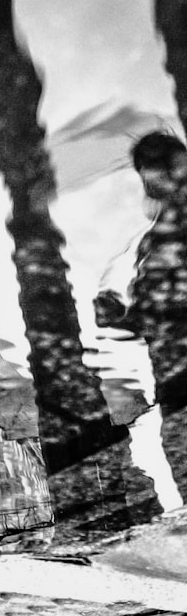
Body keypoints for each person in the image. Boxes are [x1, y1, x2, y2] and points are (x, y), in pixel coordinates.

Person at [94, 131, 187, 502]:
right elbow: (155, 315)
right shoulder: (152, 241)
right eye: (146, 170)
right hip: (174, 383)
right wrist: (120, 317)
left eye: (157, 167)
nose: (150, 180)